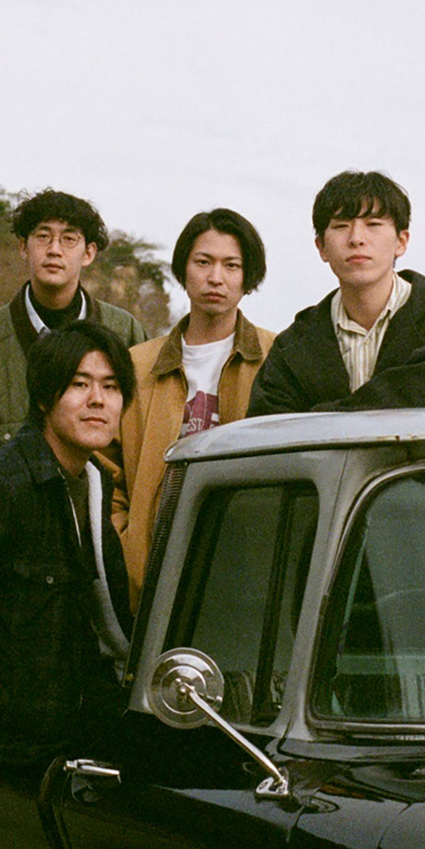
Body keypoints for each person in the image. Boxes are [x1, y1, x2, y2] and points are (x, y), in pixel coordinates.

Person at [0, 323, 136, 766]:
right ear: (44, 398)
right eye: (79, 384)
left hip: (77, 742)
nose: (98, 400)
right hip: (6, 754)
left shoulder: (94, 486)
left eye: (111, 387)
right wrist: (8, 701)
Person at [113, 208, 274, 606]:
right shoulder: (137, 365)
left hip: (249, 568)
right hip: (154, 571)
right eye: (203, 262)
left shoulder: (276, 356)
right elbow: (106, 471)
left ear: (248, 277)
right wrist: (125, 543)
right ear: (184, 270)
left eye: (231, 265)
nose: (215, 277)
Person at [0, 188, 147, 493]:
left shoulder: (126, 332)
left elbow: (140, 449)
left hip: (98, 517)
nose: (54, 250)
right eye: (43, 237)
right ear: (23, 247)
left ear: (88, 253)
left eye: (69, 239)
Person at [247, 170, 425, 417]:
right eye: (341, 226)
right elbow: (269, 426)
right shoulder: (294, 345)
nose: (356, 238)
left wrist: (317, 418)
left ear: (401, 242)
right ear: (321, 247)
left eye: (373, 224)